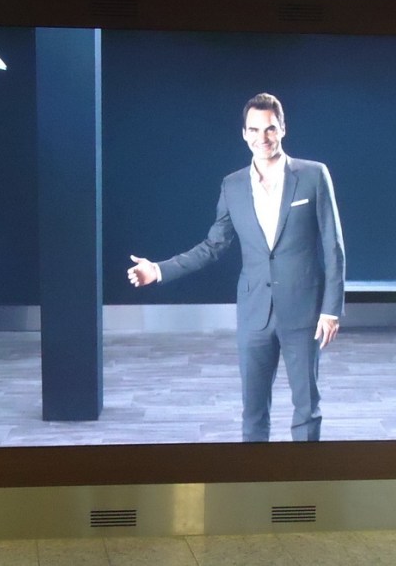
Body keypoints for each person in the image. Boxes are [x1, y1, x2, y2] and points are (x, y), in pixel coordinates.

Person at [127, 93, 346, 442]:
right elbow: (213, 246)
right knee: (253, 413)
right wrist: (159, 270)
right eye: (254, 130)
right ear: (244, 134)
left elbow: (333, 247)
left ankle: (306, 472)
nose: (263, 137)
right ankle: (254, 474)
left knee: (307, 409)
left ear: (283, 129)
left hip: (303, 311)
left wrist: (331, 310)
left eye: (270, 128)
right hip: (254, 312)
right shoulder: (233, 185)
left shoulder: (313, 176)